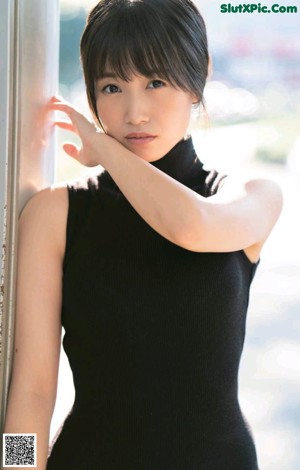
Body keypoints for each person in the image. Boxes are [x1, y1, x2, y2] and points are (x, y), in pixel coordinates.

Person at [4, 0, 283, 469]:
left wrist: (104, 150)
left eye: (155, 81)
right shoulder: (56, 215)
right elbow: (31, 394)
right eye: (111, 86)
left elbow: (190, 227)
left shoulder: (247, 197)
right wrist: (14, 469)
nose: (134, 112)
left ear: (200, 75)